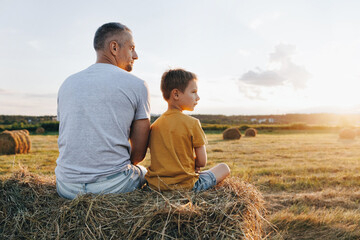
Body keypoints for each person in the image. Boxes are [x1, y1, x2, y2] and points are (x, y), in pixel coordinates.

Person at [55, 22, 150, 199]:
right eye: (131, 48)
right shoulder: (138, 85)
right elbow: (138, 154)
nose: (135, 55)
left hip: (65, 186)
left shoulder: (67, 83)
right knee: (146, 172)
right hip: (114, 185)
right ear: (114, 47)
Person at [145, 69, 230, 191]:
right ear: (176, 94)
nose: (198, 97)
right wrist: (191, 166)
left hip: (156, 186)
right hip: (187, 186)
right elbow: (202, 161)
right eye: (194, 92)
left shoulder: (155, 125)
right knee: (224, 168)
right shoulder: (192, 123)